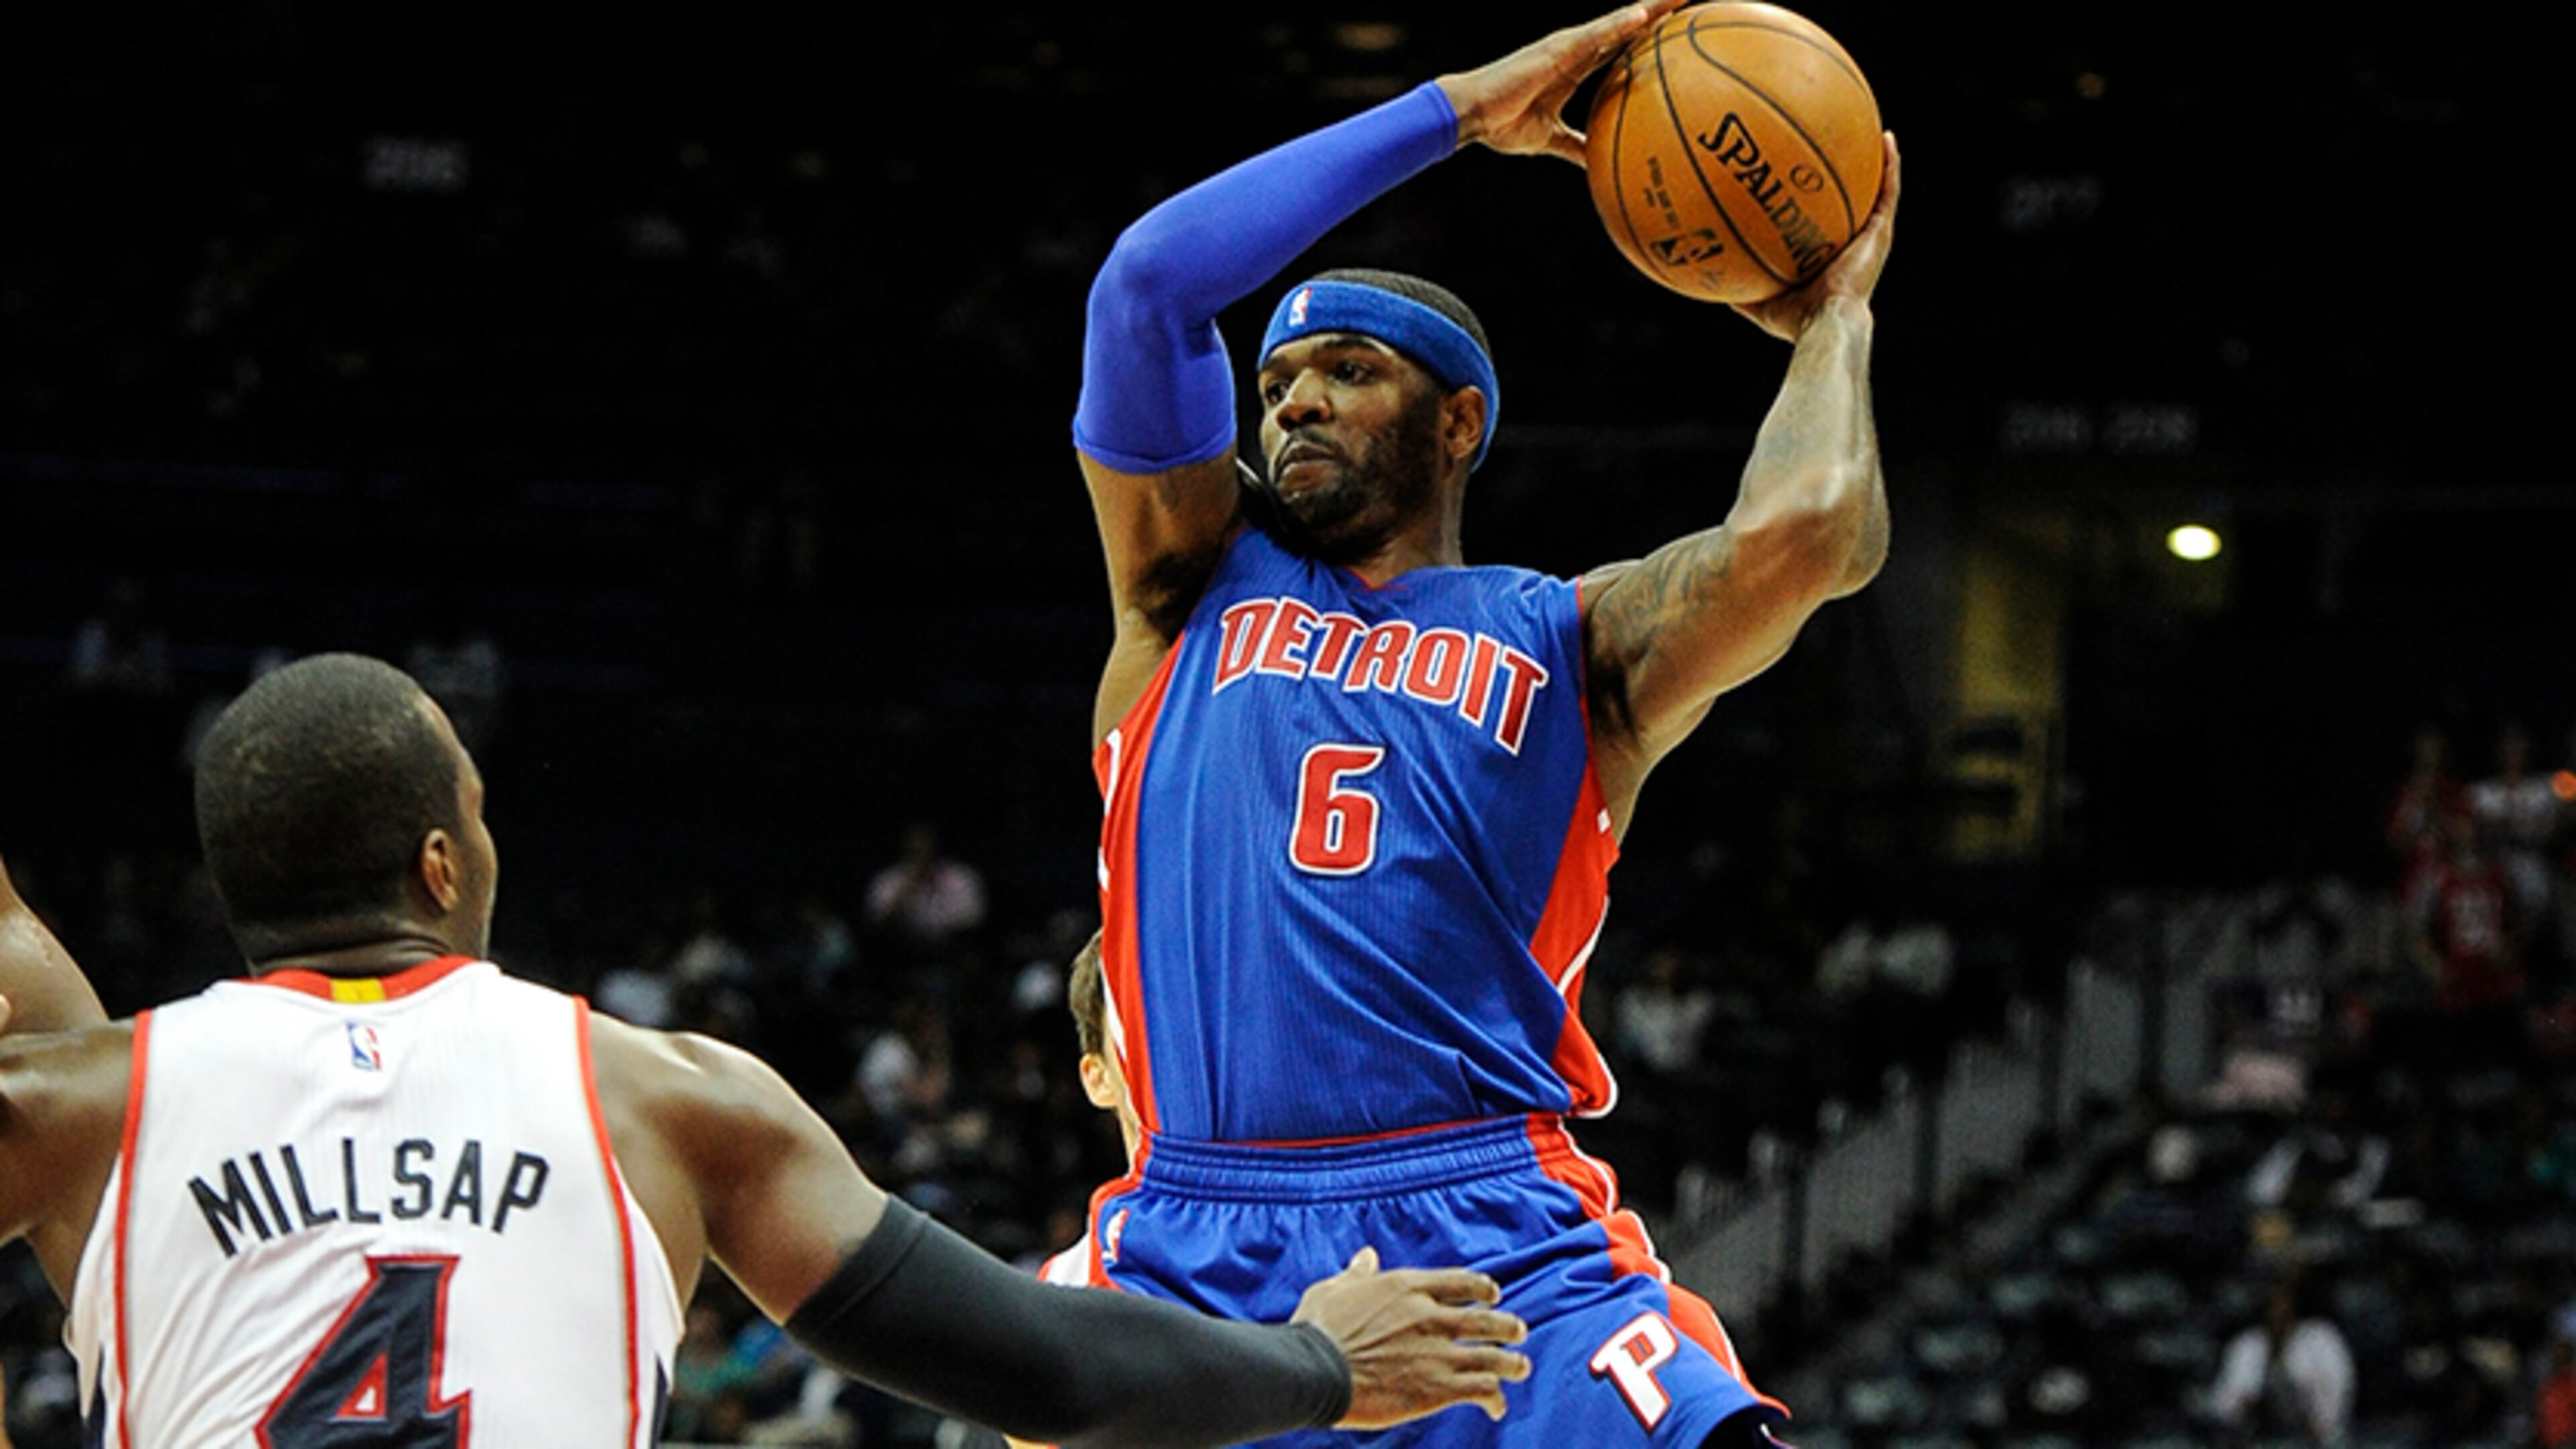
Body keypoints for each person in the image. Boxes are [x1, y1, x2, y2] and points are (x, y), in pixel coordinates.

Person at [0, 654, 1530, 1449]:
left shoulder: (82, 1107)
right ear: (444, 867)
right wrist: (1324, 1362)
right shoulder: (666, 1100)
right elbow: (1045, 1370)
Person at [1069, 1, 1895, 1442]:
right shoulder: (1182, 592)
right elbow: (1146, 284)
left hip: (1495, 1230)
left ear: (1459, 423)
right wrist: (1456, 109)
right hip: (1203, 1234)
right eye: (1275, 386)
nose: (1296, 407)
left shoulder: (1576, 641)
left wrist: (1836, 316)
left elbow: (1812, 529)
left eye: (1348, 373)